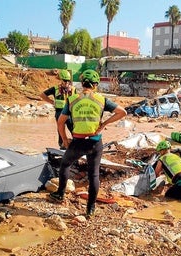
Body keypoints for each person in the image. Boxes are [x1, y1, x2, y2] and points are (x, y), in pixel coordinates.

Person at [49, 69, 127, 217]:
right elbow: (122, 112)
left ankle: (60, 194)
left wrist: (65, 140)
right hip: (95, 143)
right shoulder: (101, 99)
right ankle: (90, 208)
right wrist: (103, 124)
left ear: (82, 83)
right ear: (95, 85)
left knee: (65, 165)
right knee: (94, 175)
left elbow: (60, 122)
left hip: (78, 141)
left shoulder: (72, 99)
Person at [40, 69, 76, 148]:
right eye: (65, 81)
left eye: (68, 81)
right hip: (60, 112)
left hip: (70, 113)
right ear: (61, 80)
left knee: (73, 129)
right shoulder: (55, 89)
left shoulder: (73, 89)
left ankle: (76, 145)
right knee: (60, 130)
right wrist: (52, 102)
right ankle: (62, 145)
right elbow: (42, 95)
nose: (66, 83)